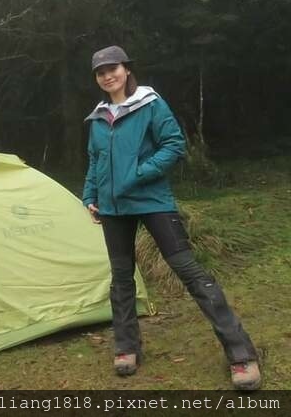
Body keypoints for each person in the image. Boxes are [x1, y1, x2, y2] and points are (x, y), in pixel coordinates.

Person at [82, 45, 261, 390]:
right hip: (113, 208)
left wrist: (136, 175)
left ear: (126, 69)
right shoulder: (99, 116)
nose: (108, 75)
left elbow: (174, 145)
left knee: (190, 272)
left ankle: (241, 354)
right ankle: (126, 347)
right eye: (100, 72)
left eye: (113, 68)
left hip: (151, 201)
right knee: (121, 278)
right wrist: (90, 195)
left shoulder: (150, 104)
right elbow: (94, 160)